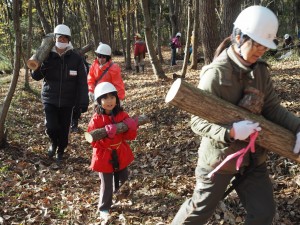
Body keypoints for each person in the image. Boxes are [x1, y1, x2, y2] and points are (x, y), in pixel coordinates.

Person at [171, 6, 300, 225]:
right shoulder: (216, 74)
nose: (261, 51)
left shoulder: (260, 71)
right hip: (220, 159)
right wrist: (230, 132)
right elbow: (197, 121)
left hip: (252, 159)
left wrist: (298, 127)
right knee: (198, 212)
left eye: (264, 47)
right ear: (238, 37)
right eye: (257, 44)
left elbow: (273, 108)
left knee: (263, 213)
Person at [31, 24, 89, 163]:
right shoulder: (46, 55)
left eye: (65, 39)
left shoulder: (75, 58)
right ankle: (53, 143)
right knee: (51, 127)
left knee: (64, 129)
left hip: (68, 101)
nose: (62, 41)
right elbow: (35, 76)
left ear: (69, 41)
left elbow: (82, 81)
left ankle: (61, 150)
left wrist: (83, 101)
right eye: (60, 38)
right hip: (49, 98)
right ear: (54, 39)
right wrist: (41, 66)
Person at [87, 82, 138, 222]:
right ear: (99, 101)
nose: (109, 101)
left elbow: (129, 137)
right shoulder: (96, 119)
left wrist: (131, 127)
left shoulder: (122, 114)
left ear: (117, 98)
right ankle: (104, 207)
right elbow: (93, 141)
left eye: (112, 97)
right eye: (105, 98)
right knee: (106, 183)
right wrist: (107, 136)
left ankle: (120, 197)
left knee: (123, 178)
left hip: (120, 152)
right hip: (104, 156)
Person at [71, 53, 90, 133]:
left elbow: (87, 76)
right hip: (70, 88)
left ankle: (74, 125)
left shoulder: (85, 65)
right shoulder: (71, 62)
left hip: (80, 89)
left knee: (77, 108)